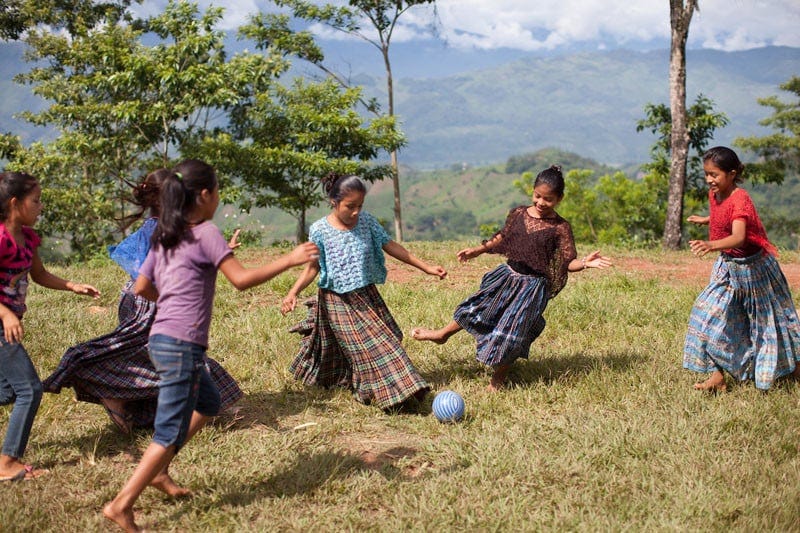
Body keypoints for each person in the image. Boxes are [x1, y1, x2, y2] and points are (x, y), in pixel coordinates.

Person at [103, 159, 318, 532]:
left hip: (162, 340)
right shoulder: (205, 232)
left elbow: (141, 288)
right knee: (168, 430)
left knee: (208, 403)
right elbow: (242, 280)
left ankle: (161, 470)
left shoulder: (165, 234)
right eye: (217, 192)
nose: (218, 199)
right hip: (182, 346)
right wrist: (291, 259)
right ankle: (121, 504)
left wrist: (172, 298)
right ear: (204, 195)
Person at [43, 169, 243, 435]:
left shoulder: (159, 225)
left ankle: (124, 400)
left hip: (138, 298)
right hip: (151, 301)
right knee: (168, 356)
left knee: (145, 354)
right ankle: (117, 392)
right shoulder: (166, 229)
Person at [412, 165, 612, 391]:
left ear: (559, 199)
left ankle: (498, 378)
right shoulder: (519, 214)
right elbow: (502, 237)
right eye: (537, 196)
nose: (540, 202)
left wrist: (585, 263)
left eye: (548, 199)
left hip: (531, 288)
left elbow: (568, 262)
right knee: (478, 308)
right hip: (507, 276)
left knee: (512, 330)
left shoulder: (560, 228)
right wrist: (477, 250)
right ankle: (442, 334)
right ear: (533, 191)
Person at [281, 174, 447, 411]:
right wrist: (292, 292)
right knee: (374, 347)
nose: (356, 212)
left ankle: (363, 383)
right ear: (333, 201)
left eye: (360, 206)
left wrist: (426, 267)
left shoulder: (367, 222)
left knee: (387, 338)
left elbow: (391, 246)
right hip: (336, 301)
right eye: (350, 206)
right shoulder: (319, 230)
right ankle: (396, 397)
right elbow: (313, 268)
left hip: (366, 296)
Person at [0, 171, 100, 482]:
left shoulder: (28, 238)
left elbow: (40, 274)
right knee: (29, 389)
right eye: (36, 200)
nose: (41, 206)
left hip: (7, 324)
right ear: (15, 204)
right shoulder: (1, 239)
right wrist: (5, 315)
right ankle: (6, 465)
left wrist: (72, 285)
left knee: (6, 392)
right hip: (1, 326)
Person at [683, 146, 800, 392]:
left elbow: (739, 236)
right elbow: (723, 217)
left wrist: (710, 244)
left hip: (753, 270)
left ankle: (792, 369)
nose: (709, 180)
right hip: (726, 267)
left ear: (732, 173)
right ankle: (716, 376)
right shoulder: (714, 195)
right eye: (706, 174)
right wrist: (706, 220)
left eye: (714, 175)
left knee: (769, 325)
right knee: (704, 315)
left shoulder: (740, 198)